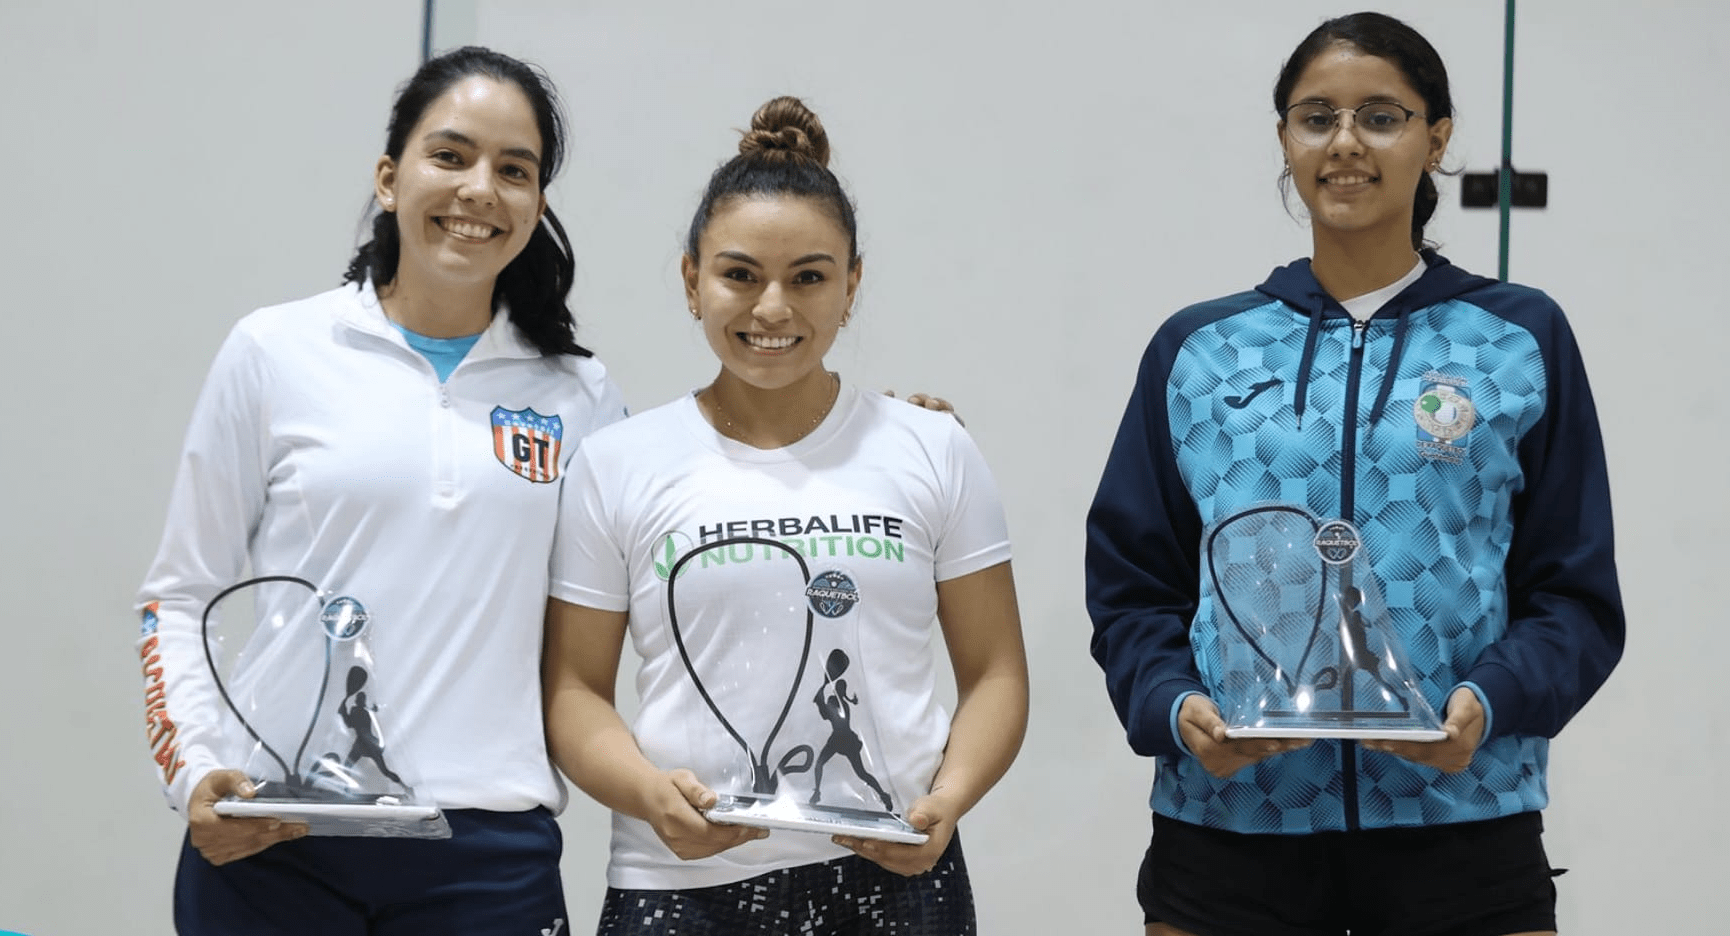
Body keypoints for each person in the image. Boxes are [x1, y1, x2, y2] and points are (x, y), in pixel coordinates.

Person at [1085, 12, 1623, 936]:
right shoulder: (1199, 350)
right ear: (1285, 139)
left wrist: (1488, 705)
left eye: (1382, 116)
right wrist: (1176, 709)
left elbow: (1573, 597)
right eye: (1316, 116)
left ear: (1437, 139)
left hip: (1462, 824)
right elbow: (1134, 587)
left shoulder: (1519, 340)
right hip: (1233, 830)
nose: (1345, 143)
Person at [134, 46, 625, 934]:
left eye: (514, 170)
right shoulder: (274, 351)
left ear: (537, 205)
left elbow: (662, 560)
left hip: (488, 853)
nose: (481, 189)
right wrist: (195, 768)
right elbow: (177, 595)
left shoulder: (581, 396)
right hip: (274, 839)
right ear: (390, 178)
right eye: (451, 155)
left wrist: (880, 439)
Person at [543, 95, 1029, 935]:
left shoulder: (932, 447)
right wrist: (647, 794)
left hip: (896, 879)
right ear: (693, 280)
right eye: (739, 274)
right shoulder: (618, 461)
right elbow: (573, 690)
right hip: (675, 888)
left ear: (852, 285)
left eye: (808, 276)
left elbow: (997, 674)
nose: (773, 308)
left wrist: (946, 801)